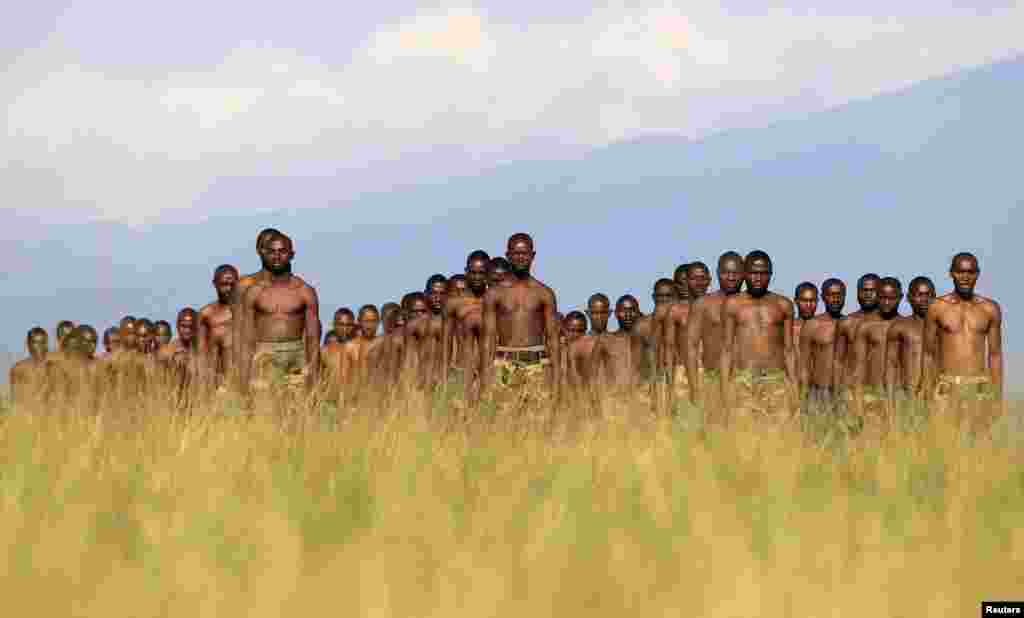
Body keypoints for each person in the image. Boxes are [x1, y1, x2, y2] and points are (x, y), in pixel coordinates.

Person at [481, 233, 561, 399]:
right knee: (503, 419)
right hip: (504, 363)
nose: (520, 257)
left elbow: (553, 338)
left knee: (538, 420)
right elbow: (488, 337)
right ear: (508, 255)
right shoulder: (494, 294)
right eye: (516, 253)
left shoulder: (544, 293)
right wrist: (486, 375)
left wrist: (556, 378)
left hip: (537, 364)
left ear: (532, 255)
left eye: (524, 253)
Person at [239, 233, 321, 393]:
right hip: (264, 354)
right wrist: (243, 377)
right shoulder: (254, 292)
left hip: (295, 354)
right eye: (272, 251)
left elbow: (312, 338)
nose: (277, 256)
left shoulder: (304, 291)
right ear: (265, 255)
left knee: (297, 410)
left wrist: (313, 375)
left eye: (282, 251)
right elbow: (246, 339)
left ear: (291, 255)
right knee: (263, 409)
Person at [720, 251, 796, 420]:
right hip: (743, 380)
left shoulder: (784, 305)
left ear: (770, 274)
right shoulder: (732, 304)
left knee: (779, 438)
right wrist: (725, 389)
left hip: (775, 380)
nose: (758, 278)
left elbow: (789, 350)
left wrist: (794, 388)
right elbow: (726, 349)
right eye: (753, 272)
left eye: (763, 273)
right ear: (745, 273)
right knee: (742, 436)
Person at [923, 252, 1003, 405]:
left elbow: (995, 355)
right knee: (942, 430)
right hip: (946, 388)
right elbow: (928, 354)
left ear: (977, 274)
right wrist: (927, 393)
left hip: (979, 389)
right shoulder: (937, 307)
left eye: (970, 272)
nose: (965, 277)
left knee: (981, 430)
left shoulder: (990, 309)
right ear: (952, 273)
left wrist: (997, 397)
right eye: (960, 272)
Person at [684, 251, 744, 406]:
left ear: (743, 274)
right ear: (718, 273)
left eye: (735, 273)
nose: (731, 277)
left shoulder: (751, 305)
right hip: (713, 380)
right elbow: (690, 347)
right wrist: (694, 388)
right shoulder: (703, 305)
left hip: (746, 381)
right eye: (726, 272)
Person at [852, 277, 903, 422]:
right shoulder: (866, 327)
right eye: (882, 297)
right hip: (872, 395)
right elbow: (858, 368)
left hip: (900, 395)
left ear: (900, 298)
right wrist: (858, 403)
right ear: (877, 297)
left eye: (891, 298)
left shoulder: (907, 326)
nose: (886, 302)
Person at [443, 250, 490, 400]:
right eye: (473, 272)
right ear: (466, 272)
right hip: (461, 371)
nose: (477, 277)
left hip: (488, 373)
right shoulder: (453, 304)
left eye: (481, 273)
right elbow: (446, 342)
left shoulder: (495, 302)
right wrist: (445, 375)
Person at [798, 279, 847, 418]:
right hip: (818, 393)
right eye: (831, 295)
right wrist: (802, 399)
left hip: (845, 394)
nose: (836, 299)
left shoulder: (852, 325)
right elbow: (804, 366)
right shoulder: (812, 325)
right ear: (823, 297)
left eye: (840, 295)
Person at [884, 276, 936, 397]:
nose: (924, 299)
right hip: (909, 396)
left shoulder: (943, 328)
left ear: (934, 297)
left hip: (938, 397)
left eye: (928, 295)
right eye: (919, 295)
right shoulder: (899, 327)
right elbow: (891, 366)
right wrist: (890, 403)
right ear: (909, 298)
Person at [591, 296, 645, 392]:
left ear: (638, 313)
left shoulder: (644, 342)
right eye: (623, 311)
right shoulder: (605, 340)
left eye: (632, 310)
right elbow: (593, 375)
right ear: (616, 314)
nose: (628, 315)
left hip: (640, 399)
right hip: (613, 399)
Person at [197, 264, 239, 383]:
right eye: (224, 285)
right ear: (215, 283)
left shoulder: (248, 311)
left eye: (232, 284)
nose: (229, 289)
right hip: (219, 381)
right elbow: (201, 353)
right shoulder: (206, 314)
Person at [567, 293, 610, 389]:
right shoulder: (578, 346)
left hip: (612, 398)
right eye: (595, 313)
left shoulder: (616, 342)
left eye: (603, 312)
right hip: (587, 398)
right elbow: (574, 379)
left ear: (610, 313)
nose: (599, 317)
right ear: (588, 313)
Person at [9, 328, 49, 405]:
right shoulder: (18, 369)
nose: (39, 346)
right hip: (27, 413)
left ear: (46, 344)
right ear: (28, 344)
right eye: (35, 342)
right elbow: (15, 399)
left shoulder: (54, 367)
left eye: (42, 342)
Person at [793, 282, 819, 370]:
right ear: (796, 301)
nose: (808, 305)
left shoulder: (824, 328)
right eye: (804, 301)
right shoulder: (787, 329)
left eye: (812, 301)